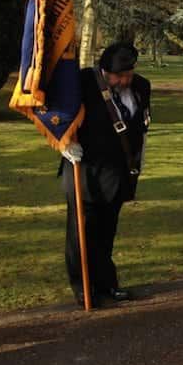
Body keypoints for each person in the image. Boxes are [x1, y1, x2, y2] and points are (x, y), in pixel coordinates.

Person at [60, 42, 151, 305]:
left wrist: (139, 160)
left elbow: (141, 127)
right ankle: (83, 288)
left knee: (106, 233)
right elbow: (57, 111)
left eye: (128, 74)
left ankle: (107, 284)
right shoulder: (83, 82)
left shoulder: (141, 86)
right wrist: (65, 143)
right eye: (119, 76)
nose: (124, 80)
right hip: (85, 171)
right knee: (81, 235)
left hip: (119, 173)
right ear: (104, 71)